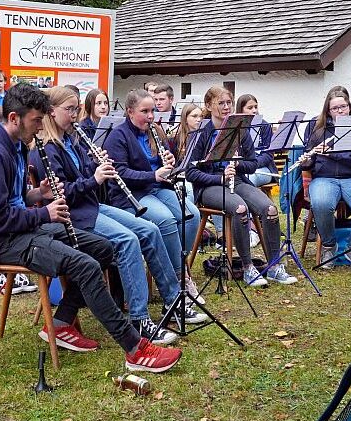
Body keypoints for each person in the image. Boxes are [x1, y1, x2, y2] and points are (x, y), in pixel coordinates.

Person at [0, 82, 181, 372]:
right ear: (14, 118)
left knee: (103, 248)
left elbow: (13, 199)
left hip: (20, 229)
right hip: (0, 242)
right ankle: (134, 348)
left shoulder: (15, 145)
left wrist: (37, 195)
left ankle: (62, 321)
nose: (40, 127)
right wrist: (44, 213)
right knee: (86, 266)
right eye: (36, 120)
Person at [33, 87, 208, 340]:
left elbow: (84, 177)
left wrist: (95, 164)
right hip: (75, 216)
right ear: (51, 112)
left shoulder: (71, 141)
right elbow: (62, 194)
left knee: (150, 230)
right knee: (128, 240)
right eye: (69, 109)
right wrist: (94, 178)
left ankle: (173, 303)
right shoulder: (48, 149)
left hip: (92, 207)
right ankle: (139, 319)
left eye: (75, 109)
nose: (74, 115)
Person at [186, 86, 296, 287]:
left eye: (229, 102)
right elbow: (190, 172)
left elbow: (252, 164)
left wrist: (238, 164)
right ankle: (247, 267)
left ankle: (274, 266)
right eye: (221, 103)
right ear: (209, 106)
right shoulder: (201, 133)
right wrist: (219, 179)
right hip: (209, 186)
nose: (226, 107)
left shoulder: (239, 129)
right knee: (239, 208)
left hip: (236, 180)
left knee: (270, 209)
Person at [105, 89, 202, 292]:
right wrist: (153, 175)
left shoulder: (155, 131)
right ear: (130, 112)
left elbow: (164, 165)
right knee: (166, 220)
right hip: (131, 195)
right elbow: (120, 173)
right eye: (145, 111)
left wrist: (169, 162)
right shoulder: (118, 136)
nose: (150, 116)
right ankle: (179, 278)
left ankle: (173, 265)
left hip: (157, 188)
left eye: (152, 111)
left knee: (192, 215)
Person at [301, 86, 351, 271]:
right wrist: (307, 160)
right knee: (321, 204)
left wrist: (333, 154)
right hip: (324, 178)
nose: (340, 111)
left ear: (349, 106)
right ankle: (329, 246)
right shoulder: (316, 127)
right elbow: (309, 160)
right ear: (328, 110)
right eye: (335, 108)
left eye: (343, 107)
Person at [236, 94, 277, 188]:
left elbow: (268, 154)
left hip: (262, 168)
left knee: (250, 179)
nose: (254, 110)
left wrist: (252, 164)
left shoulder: (264, 126)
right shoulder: (234, 126)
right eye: (250, 108)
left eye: (255, 107)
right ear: (241, 110)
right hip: (240, 168)